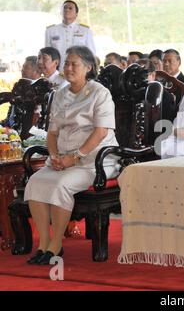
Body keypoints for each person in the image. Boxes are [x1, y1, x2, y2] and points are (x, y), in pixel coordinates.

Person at [24, 45, 119, 265]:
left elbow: (101, 131)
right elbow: (52, 132)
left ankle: (56, 244)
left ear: (88, 67)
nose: (68, 68)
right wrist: (55, 156)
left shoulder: (99, 93)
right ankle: (44, 243)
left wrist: (73, 158)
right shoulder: (60, 94)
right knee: (35, 182)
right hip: (63, 159)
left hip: (94, 160)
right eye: (66, 63)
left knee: (61, 185)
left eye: (73, 64)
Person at [45, 0, 96, 71]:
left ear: (76, 14)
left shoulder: (85, 31)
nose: (67, 10)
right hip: (57, 71)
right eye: (65, 8)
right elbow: (47, 54)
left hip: (78, 71)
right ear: (61, 12)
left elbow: (91, 54)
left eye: (70, 8)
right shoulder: (51, 30)